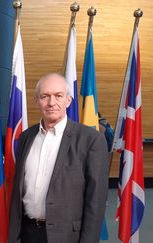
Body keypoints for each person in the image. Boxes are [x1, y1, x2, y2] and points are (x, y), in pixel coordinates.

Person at [8, 73, 110, 243]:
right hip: (28, 233)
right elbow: (19, 190)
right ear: (36, 101)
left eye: (58, 96)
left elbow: (96, 200)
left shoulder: (91, 140)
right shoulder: (26, 137)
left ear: (68, 100)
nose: (51, 103)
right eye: (45, 96)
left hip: (68, 236)